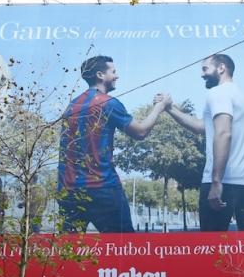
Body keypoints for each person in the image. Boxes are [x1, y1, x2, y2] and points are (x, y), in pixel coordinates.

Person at [57, 55, 165, 233]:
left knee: (69, 251)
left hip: (69, 190)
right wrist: (159, 108)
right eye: (113, 72)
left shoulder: (71, 106)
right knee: (124, 248)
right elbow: (140, 132)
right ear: (100, 75)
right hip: (103, 188)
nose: (117, 76)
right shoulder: (108, 103)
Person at [161, 54, 244, 232]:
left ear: (221, 68)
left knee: (212, 251)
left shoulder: (218, 93)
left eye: (205, 69)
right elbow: (203, 127)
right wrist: (170, 108)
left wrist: (216, 182)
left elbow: (223, 133)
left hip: (223, 184)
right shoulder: (241, 96)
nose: (202, 74)